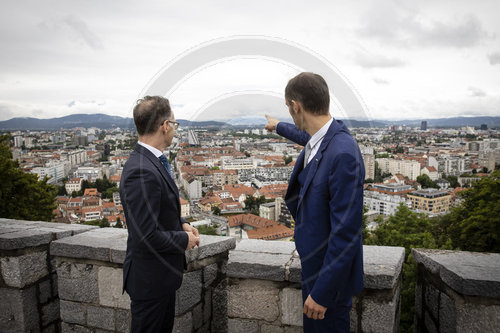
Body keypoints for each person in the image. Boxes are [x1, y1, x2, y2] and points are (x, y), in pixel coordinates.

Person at [265, 72, 364, 332]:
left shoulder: (343, 153)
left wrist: (323, 293)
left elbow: (347, 233)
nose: (290, 114)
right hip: (315, 267)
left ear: (296, 106)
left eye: (289, 108)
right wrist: (278, 126)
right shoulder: (324, 139)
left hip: (328, 281)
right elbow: (307, 138)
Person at [120, 96, 200, 333]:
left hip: (159, 279)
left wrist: (182, 223)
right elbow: (145, 236)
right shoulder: (142, 171)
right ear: (165, 126)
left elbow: (160, 209)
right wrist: (186, 240)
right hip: (150, 282)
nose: (174, 129)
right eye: (174, 124)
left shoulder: (149, 162)